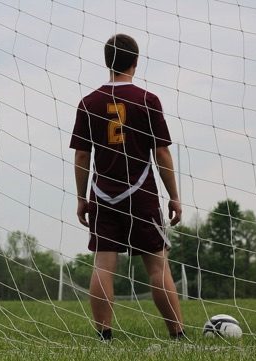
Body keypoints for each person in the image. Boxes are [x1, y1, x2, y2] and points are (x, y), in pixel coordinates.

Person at [70, 34, 185, 341]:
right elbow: (161, 153)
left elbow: (83, 154)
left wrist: (82, 199)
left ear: (108, 62)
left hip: (103, 193)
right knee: (157, 265)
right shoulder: (148, 100)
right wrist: (174, 196)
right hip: (141, 192)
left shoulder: (88, 102)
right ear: (136, 62)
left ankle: (104, 334)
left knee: (104, 264)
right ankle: (176, 333)